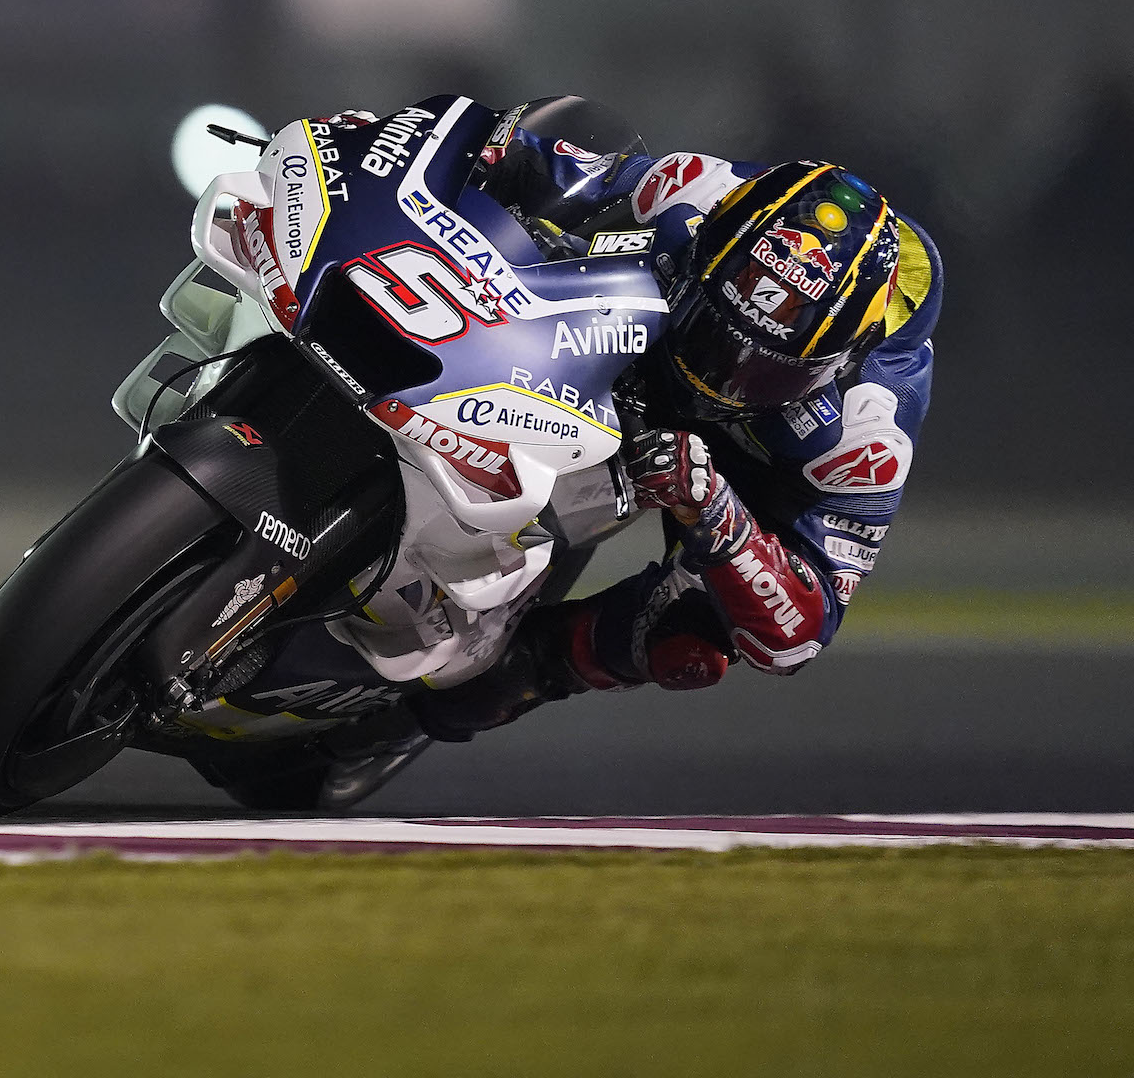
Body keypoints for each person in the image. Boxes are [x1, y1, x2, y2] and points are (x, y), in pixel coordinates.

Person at [316, 96, 944, 801]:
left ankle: (434, 708)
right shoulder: (695, 192)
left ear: (835, 364)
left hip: (734, 458)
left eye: (762, 368)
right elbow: (545, 162)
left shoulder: (866, 432)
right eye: (717, 333)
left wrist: (717, 512)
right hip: (632, 334)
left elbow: (800, 631)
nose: (721, 376)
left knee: (690, 641)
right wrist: (417, 145)